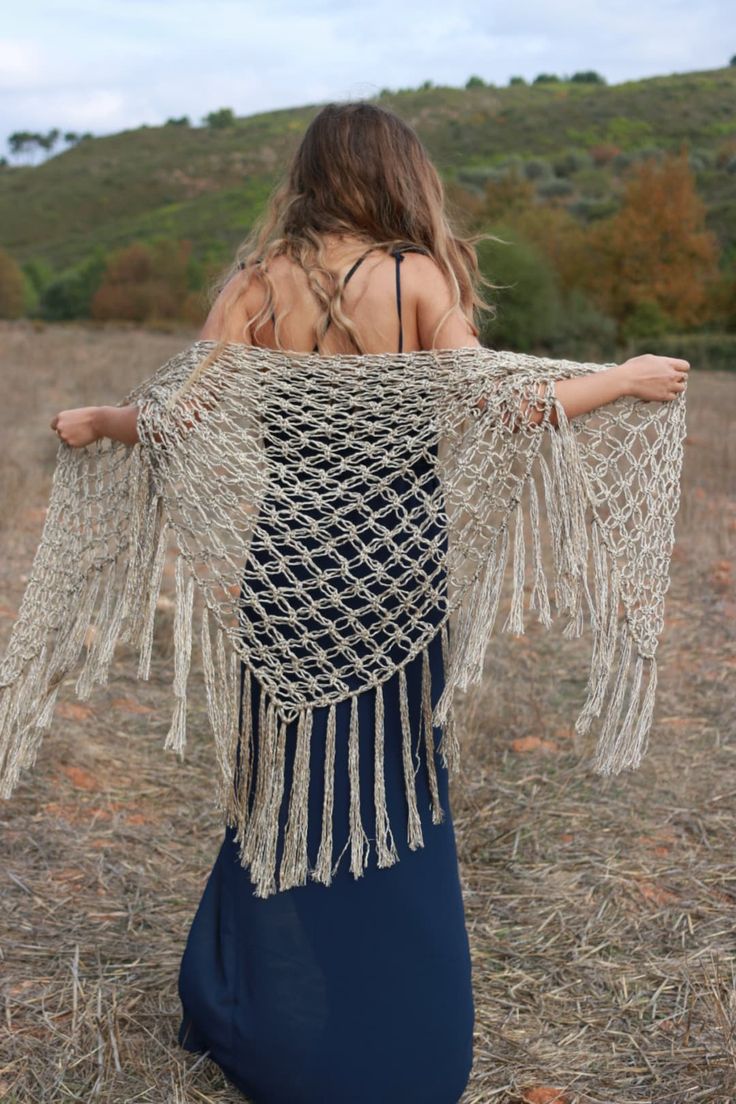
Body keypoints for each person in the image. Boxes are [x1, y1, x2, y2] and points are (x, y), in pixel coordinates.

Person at [50, 102, 688, 1104]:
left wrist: (102, 420)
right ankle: (397, 1049)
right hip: (395, 568)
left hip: (293, 562)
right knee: (392, 792)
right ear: (396, 174)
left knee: (287, 786)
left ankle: (263, 1018)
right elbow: (505, 405)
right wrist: (623, 379)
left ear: (309, 175)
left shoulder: (257, 285)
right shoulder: (414, 276)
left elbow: (180, 419)